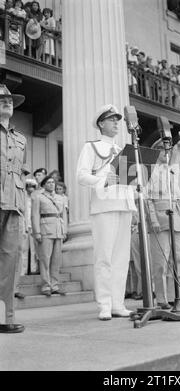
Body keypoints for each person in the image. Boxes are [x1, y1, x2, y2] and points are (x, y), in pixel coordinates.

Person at [77, 104, 136, 320]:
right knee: (104, 257)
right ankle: (104, 304)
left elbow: (129, 181)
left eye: (117, 120)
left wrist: (133, 207)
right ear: (101, 123)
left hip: (123, 205)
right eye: (111, 119)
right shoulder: (91, 147)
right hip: (103, 206)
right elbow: (81, 176)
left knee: (121, 257)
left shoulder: (123, 150)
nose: (116, 123)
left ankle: (118, 303)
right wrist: (102, 179)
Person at [0, 84, 27, 333]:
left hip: (15, 202)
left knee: (10, 261)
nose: (7, 102)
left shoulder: (21, 139)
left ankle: (4, 318)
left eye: (9, 99)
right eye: (1, 99)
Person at [146, 143, 180, 308]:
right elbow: (147, 198)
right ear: (156, 151)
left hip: (175, 217)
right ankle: (161, 298)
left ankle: (175, 296)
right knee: (161, 261)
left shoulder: (172, 171)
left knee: (177, 259)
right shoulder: (150, 171)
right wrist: (152, 219)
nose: (166, 152)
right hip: (160, 218)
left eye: (168, 149)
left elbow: (179, 199)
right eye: (162, 149)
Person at [31, 175, 67, 296]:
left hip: (58, 229)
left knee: (56, 260)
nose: (52, 184)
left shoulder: (60, 198)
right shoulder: (38, 197)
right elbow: (35, 215)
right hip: (45, 229)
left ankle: (54, 285)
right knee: (45, 259)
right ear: (44, 185)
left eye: (53, 182)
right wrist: (36, 232)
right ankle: (46, 286)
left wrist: (64, 230)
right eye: (49, 182)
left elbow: (63, 215)